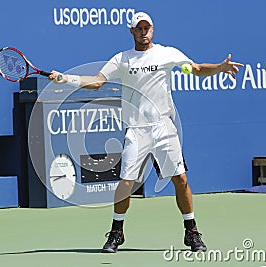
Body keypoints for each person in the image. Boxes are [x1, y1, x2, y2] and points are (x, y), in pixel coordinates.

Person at [48, 11, 243, 253]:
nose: (144, 31)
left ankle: (191, 231)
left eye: (147, 27)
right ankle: (116, 232)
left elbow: (196, 69)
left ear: (153, 29)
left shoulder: (167, 53)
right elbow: (98, 81)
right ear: (131, 31)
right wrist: (66, 78)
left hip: (164, 127)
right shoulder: (122, 59)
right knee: (126, 182)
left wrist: (220, 68)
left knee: (180, 179)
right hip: (136, 130)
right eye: (139, 28)